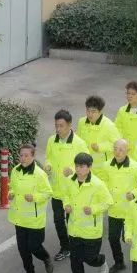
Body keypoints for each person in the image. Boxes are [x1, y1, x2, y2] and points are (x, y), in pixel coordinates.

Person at [63, 153, 114, 273]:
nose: (79, 169)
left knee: (90, 258)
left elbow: (108, 202)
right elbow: (65, 195)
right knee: (75, 259)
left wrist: (93, 209)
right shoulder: (70, 181)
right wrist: (66, 205)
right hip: (74, 228)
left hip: (91, 231)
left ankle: (101, 261)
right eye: (77, 166)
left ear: (89, 167)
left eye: (82, 167)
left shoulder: (97, 184)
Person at [45, 110, 88, 261]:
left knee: (73, 221)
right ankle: (65, 247)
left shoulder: (79, 143)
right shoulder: (52, 140)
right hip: (57, 189)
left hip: (72, 191)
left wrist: (72, 170)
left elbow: (87, 164)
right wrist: (48, 166)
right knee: (58, 220)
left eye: (61, 126)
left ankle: (76, 246)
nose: (58, 129)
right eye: (56, 125)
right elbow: (49, 157)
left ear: (69, 125)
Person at [8, 144, 54, 273]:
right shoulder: (15, 171)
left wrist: (34, 197)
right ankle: (29, 272)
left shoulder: (39, 174)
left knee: (34, 246)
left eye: (26, 155)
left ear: (33, 156)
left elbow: (48, 193)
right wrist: (11, 193)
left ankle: (46, 258)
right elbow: (13, 187)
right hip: (19, 218)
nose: (23, 158)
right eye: (21, 155)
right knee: (23, 248)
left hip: (34, 219)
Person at [98, 139, 137, 273]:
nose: (117, 152)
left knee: (128, 238)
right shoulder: (106, 165)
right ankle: (119, 262)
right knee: (112, 238)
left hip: (130, 210)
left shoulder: (135, 167)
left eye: (121, 150)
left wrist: (134, 193)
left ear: (127, 151)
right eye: (115, 149)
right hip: (114, 209)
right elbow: (103, 182)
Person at [76, 95, 121, 175]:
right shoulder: (81, 122)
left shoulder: (109, 125)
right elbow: (77, 141)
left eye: (93, 111)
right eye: (88, 111)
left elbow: (118, 145)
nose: (90, 114)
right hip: (84, 168)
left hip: (102, 170)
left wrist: (100, 147)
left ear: (100, 111)